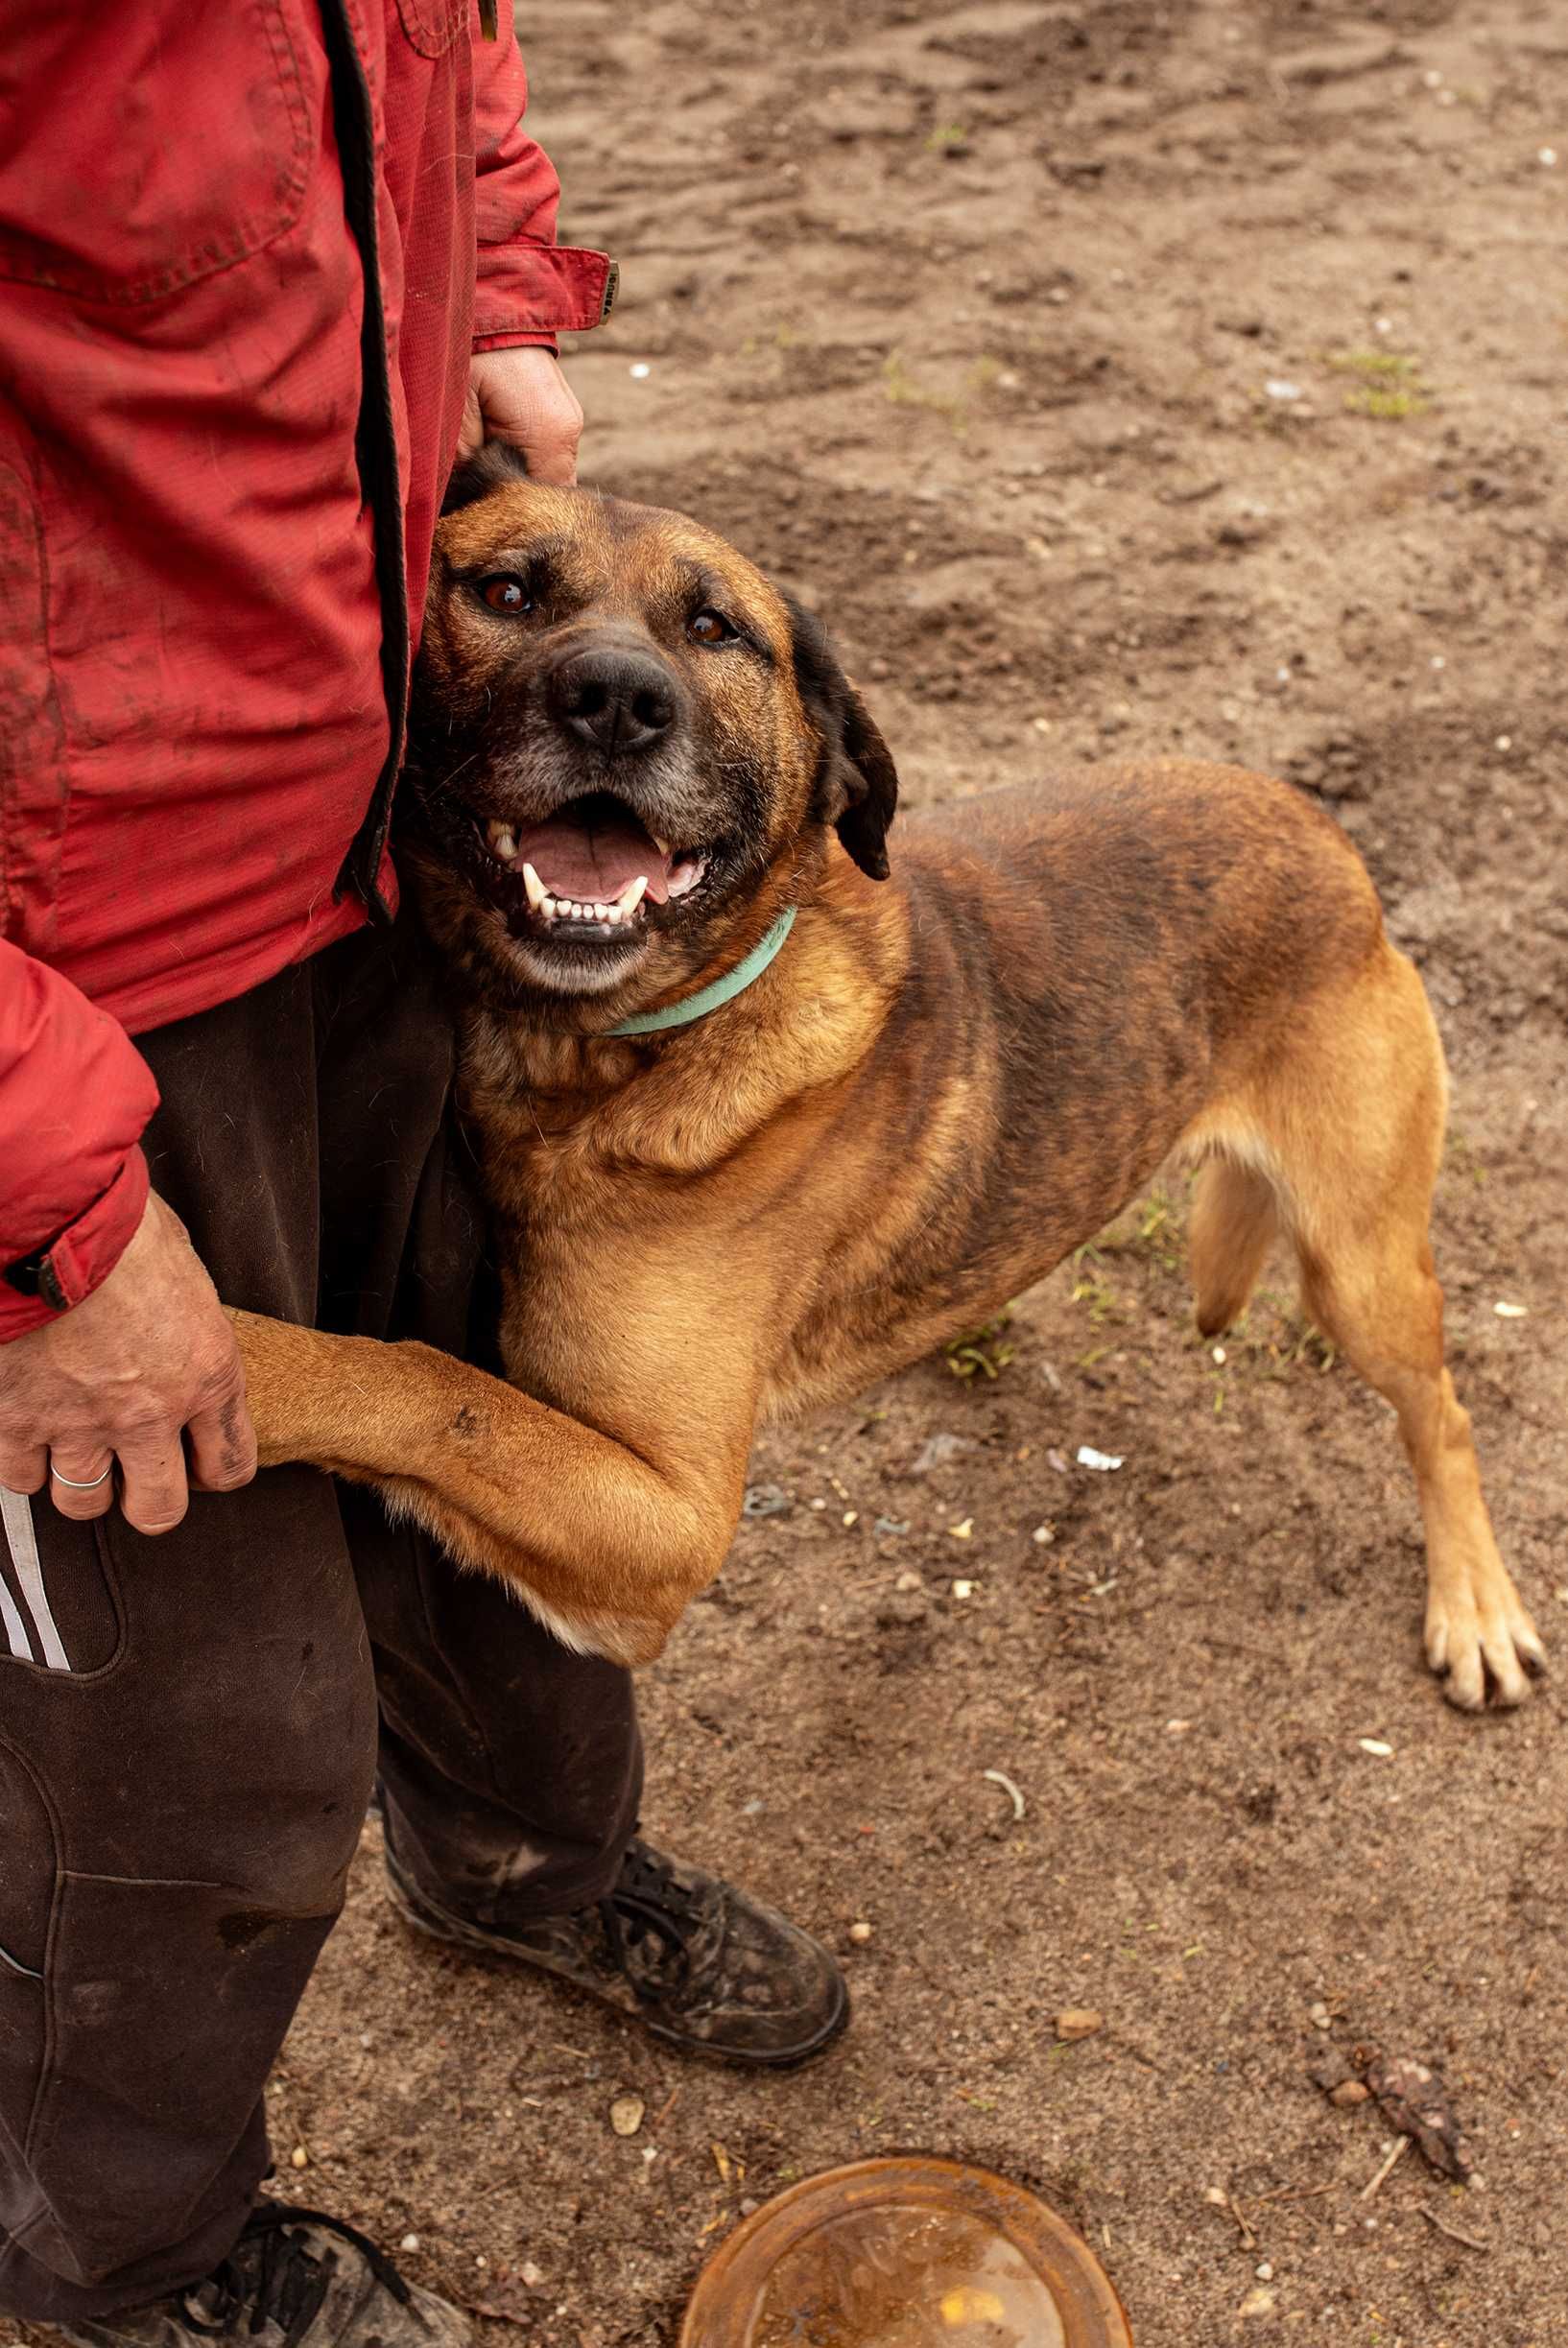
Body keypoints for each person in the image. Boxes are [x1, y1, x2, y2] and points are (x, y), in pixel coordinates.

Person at [0, 9, 846, 2342]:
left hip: (392, 866)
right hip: (77, 965)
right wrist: (36, 1208)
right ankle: (128, 2255)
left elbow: (415, 44)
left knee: (504, 1506)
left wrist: (483, 290)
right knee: (183, 1724)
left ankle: (528, 1867)